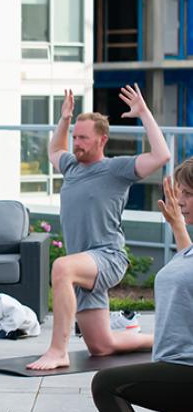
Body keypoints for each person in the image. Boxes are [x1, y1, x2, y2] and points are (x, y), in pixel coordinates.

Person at [27, 84, 169, 370]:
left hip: (108, 257)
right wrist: (65, 118)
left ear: (102, 140)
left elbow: (161, 155)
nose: (76, 143)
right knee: (102, 347)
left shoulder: (116, 170)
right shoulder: (70, 166)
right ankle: (165, 339)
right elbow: (55, 148)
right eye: (75, 137)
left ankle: (58, 351)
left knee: (62, 268)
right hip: (84, 264)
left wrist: (144, 114)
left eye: (83, 138)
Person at [91, 164, 193, 412]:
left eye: (189, 194)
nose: (181, 201)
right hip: (174, 363)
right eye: (181, 193)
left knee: (106, 384)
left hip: (185, 369)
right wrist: (177, 226)